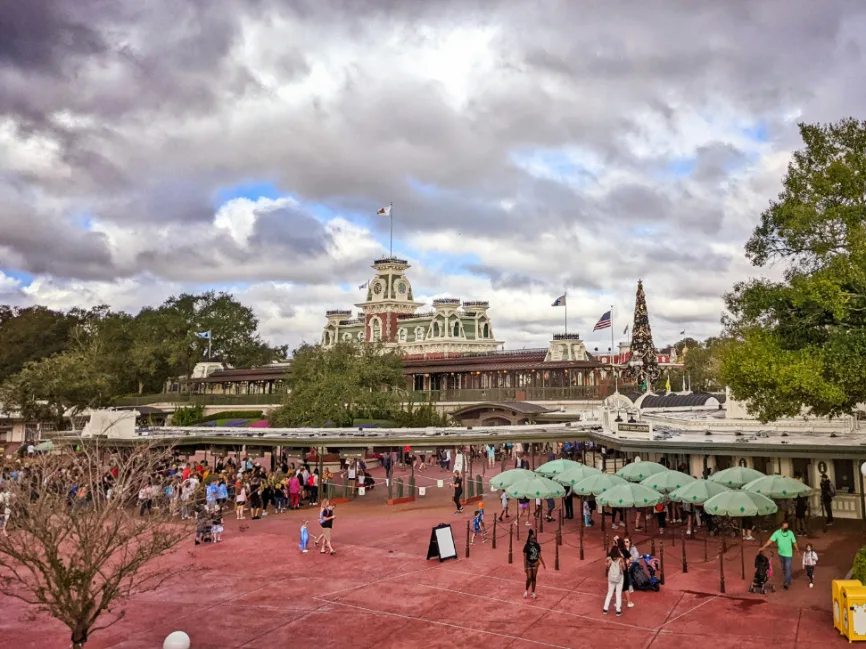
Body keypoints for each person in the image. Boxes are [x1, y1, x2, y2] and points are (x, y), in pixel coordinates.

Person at [760, 521, 799, 589]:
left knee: (788, 568)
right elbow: (770, 540)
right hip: (781, 553)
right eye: (784, 527)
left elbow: (794, 542)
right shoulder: (777, 533)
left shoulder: (790, 533)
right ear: (781, 527)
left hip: (788, 554)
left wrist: (797, 550)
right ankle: (788, 578)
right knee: (783, 568)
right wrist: (764, 547)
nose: (786, 528)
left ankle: (786, 582)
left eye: (787, 526)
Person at [603, 546, 626, 616]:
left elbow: (606, 566)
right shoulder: (620, 559)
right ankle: (618, 611)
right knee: (618, 594)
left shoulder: (609, 559)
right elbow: (624, 568)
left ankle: (605, 609)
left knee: (609, 593)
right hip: (619, 578)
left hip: (611, 578)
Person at [522, 529, 545, 599]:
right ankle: (526, 591)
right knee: (529, 578)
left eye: (534, 538)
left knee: (534, 578)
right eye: (532, 538)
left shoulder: (537, 545)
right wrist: (525, 567)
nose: (534, 539)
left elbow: (539, 555)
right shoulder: (526, 546)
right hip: (529, 563)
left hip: (536, 563)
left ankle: (533, 592)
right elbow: (525, 558)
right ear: (529, 539)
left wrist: (543, 563)